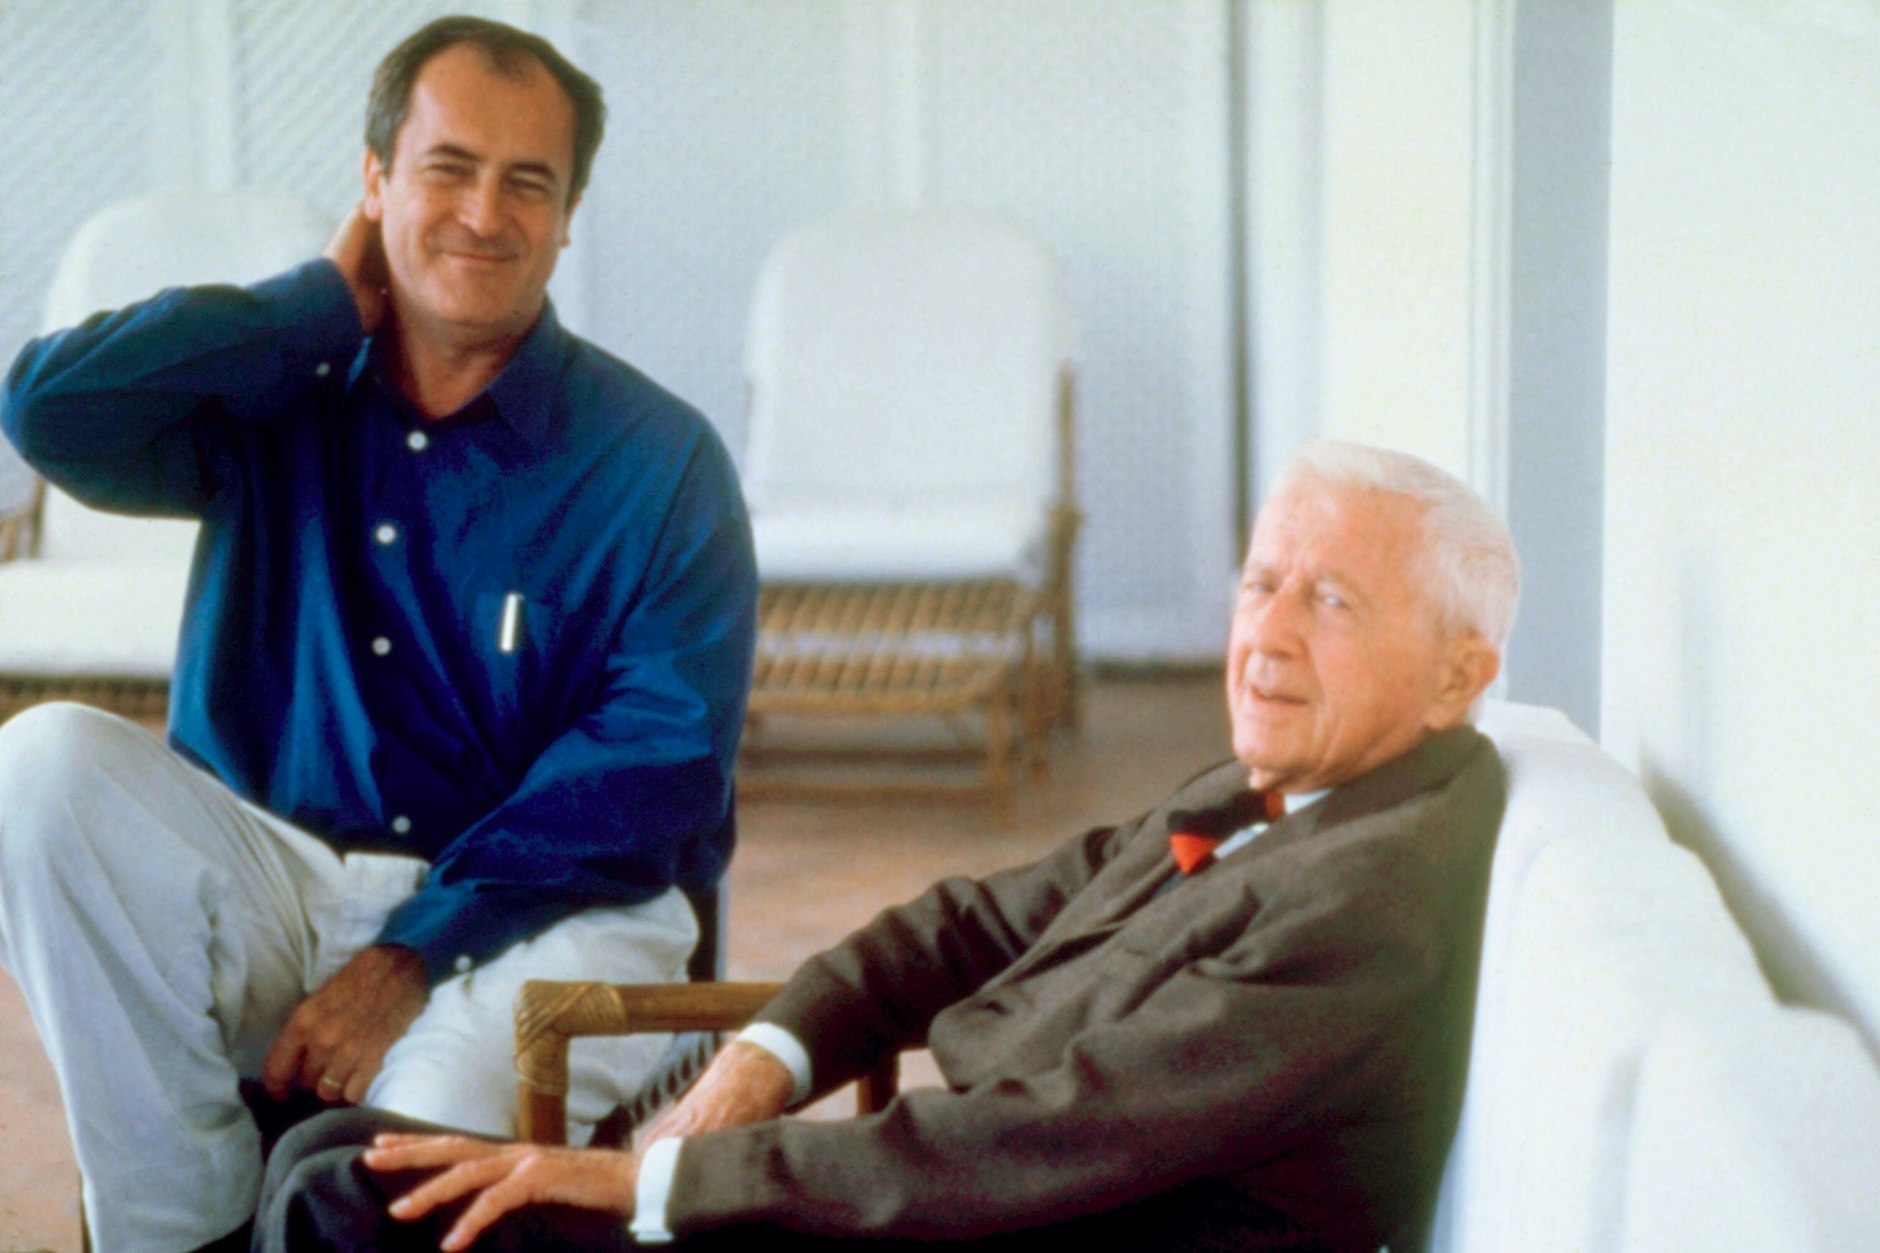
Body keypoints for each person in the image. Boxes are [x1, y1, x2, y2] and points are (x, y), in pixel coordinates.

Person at [257, 440, 1517, 1253]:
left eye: (1331, 600)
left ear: (1458, 673)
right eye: (1259, 583)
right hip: (935, 1196)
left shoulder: (1366, 892)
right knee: (332, 1149)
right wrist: (764, 1055)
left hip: (979, 1216)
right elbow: (969, 923)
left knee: (349, 1197)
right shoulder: (1261, 792)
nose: (1266, 636)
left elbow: (1049, 1135)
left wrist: (652, 1189)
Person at [0, 16, 754, 1252]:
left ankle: (307, 1197)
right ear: (373, 182)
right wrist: (310, 303)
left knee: (385, 1177)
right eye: (447, 166)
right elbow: (48, 409)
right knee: (38, 767)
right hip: (285, 878)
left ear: (568, 217)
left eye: (530, 182)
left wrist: (412, 949)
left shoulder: (660, 461)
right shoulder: (272, 396)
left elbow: (653, 772)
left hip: (556, 908)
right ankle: (180, 1220)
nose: (484, 213)